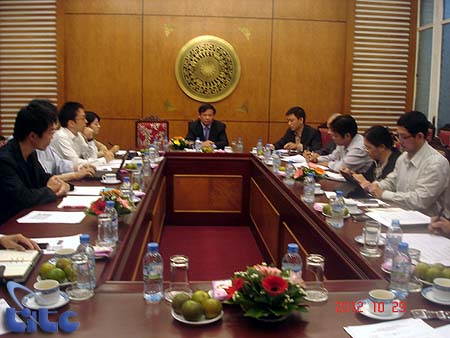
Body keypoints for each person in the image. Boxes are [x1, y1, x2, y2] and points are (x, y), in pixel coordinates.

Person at [367, 111, 450, 217]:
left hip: (428, 223)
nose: (399, 141)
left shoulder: (436, 163)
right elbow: (391, 182)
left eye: (404, 137)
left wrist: (383, 194)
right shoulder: (403, 157)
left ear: (419, 136)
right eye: (398, 136)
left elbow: (420, 201)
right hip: (402, 215)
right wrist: (375, 186)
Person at [0, 100, 70, 224]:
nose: (52, 137)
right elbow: (23, 198)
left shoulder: (30, 153)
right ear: (32, 136)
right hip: (8, 226)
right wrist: (50, 190)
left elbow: (43, 178)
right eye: (50, 133)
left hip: (26, 217)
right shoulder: (5, 160)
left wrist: (63, 184)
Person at [307, 115, 372, 173]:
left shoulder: (359, 148)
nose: (332, 138)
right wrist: (317, 159)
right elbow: (333, 156)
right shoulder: (344, 142)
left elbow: (341, 168)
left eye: (335, 136)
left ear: (347, 136)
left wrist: (326, 164)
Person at [51, 102, 109, 167]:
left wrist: (90, 140)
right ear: (71, 123)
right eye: (83, 118)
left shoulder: (78, 135)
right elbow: (75, 163)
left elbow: (90, 157)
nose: (86, 121)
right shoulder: (61, 137)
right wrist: (103, 160)